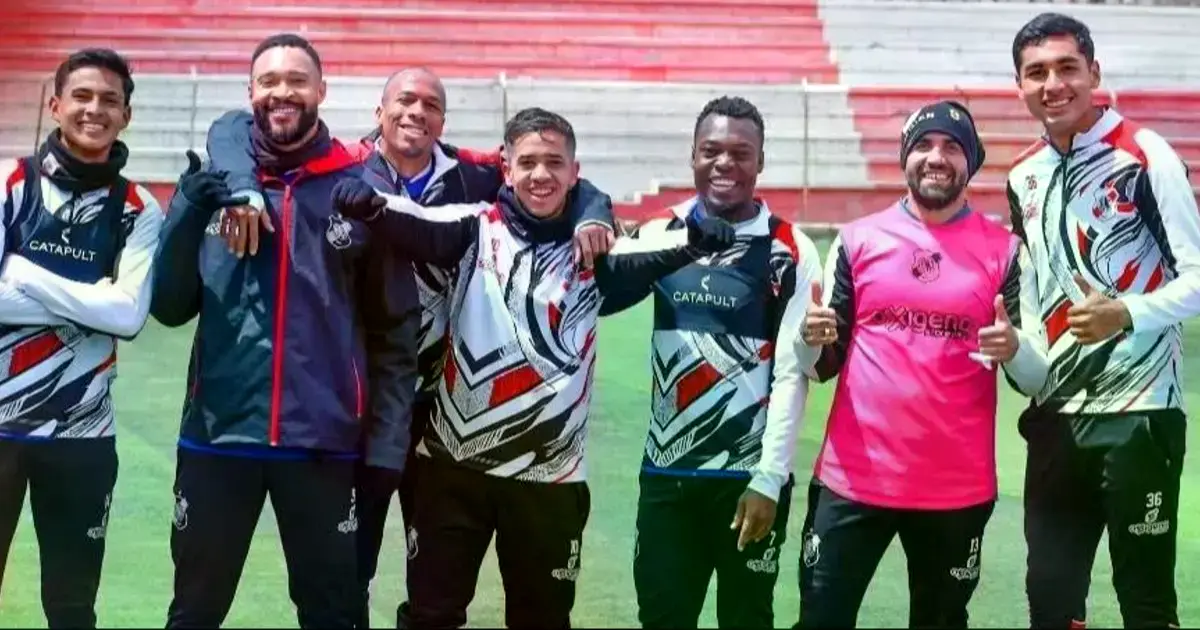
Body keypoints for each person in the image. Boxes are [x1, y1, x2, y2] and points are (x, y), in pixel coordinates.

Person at [202, 66, 615, 628]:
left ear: (443, 121)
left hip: (443, 416)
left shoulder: (472, 179)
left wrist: (593, 211)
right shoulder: (345, 166)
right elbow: (230, 130)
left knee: (434, 587)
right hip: (361, 405)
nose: (415, 113)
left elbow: (564, 176)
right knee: (351, 564)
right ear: (379, 112)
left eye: (430, 104)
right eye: (403, 100)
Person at [330, 106, 736, 629]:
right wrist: (370, 206)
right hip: (452, 471)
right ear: (507, 167)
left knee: (541, 620)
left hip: (550, 481)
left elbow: (658, 248)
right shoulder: (475, 228)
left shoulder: (598, 252)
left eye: (553, 163)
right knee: (430, 616)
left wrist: (701, 239)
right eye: (527, 162)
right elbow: (416, 219)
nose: (540, 174)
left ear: (574, 170)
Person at [150, 33, 415, 629]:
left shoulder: (360, 191)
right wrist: (192, 211)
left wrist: (386, 444)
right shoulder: (214, 186)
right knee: (194, 612)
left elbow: (395, 333)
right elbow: (169, 307)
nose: (282, 92)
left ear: (321, 90)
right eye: (269, 81)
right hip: (218, 438)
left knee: (335, 614)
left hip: (322, 442)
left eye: (297, 80)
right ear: (251, 94)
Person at [796, 100, 1049, 628]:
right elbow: (821, 366)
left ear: (971, 163)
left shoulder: (1005, 252)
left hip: (955, 493)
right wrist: (808, 340)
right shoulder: (858, 240)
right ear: (905, 158)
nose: (937, 157)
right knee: (821, 619)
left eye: (952, 147)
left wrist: (1015, 348)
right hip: (852, 482)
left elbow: (1034, 378)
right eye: (924, 146)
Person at [594, 96, 821, 629]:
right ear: (692, 157)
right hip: (667, 477)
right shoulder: (659, 233)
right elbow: (599, 291)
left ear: (760, 162)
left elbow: (791, 373)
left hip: (747, 482)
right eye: (711, 151)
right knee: (663, 618)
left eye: (741, 153)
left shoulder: (790, 247)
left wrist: (769, 479)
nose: (725, 164)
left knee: (746, 619)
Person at [1008, 13, 1200, 629]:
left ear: (1094, 73)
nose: (1053, 84)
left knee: (1145, 600)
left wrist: (1127, 313)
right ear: (1020, 85)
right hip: (1058, 419)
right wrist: (1021, 355)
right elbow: (1035, 297)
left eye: (1067, 67)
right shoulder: (1022, 175)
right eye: (1036, 72)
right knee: (1050, 599)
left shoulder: (1145, 154)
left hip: (1141, 416)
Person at [0, 47, 164, 629]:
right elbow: (107, 305)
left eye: (110, 101)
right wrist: (90, 296)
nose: (95, 109)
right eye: (82, 96)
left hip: (82, 434)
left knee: (71, 607)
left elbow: (126, 316)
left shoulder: (139, 209)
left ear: (127, 115)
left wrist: (23, 273)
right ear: (55, 105)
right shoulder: (8, 183)